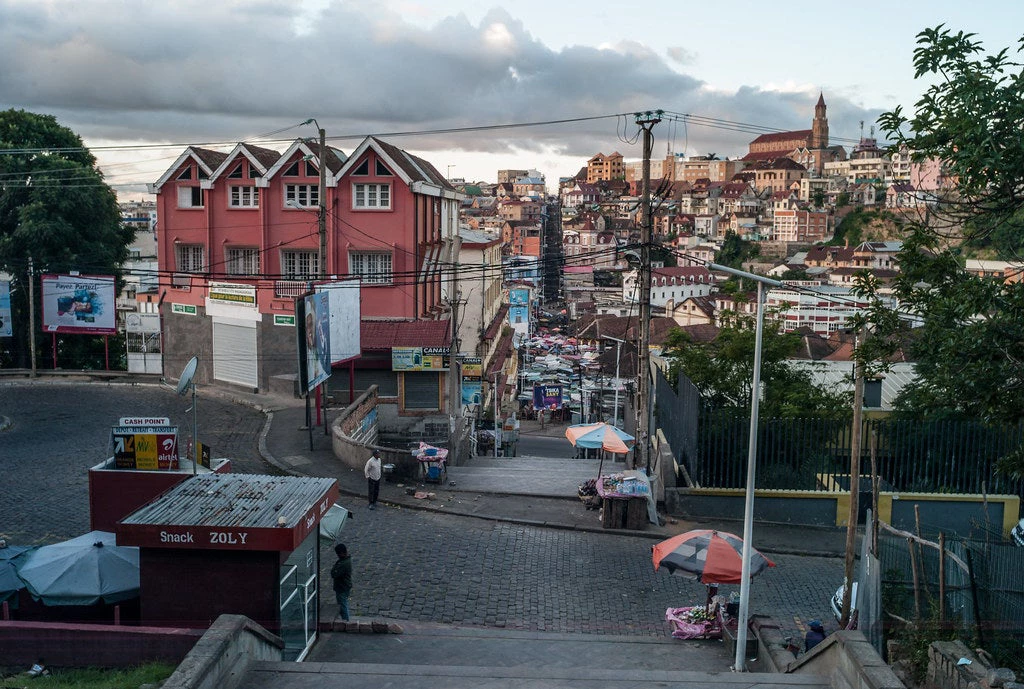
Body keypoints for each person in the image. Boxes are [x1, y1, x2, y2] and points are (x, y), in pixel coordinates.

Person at [330, 543, 352, 621]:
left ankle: (346, 621)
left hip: (342, 587)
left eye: (338, 554)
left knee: (343, 605)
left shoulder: (343, 563)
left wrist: (334, 568)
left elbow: (334, 574)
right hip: (344, 586)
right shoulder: (345, 560)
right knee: (343, 604)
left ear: (342, 553)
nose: (337, 555)